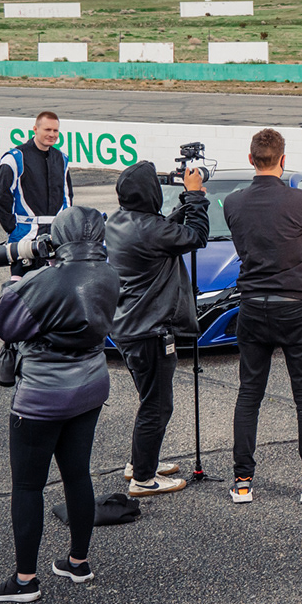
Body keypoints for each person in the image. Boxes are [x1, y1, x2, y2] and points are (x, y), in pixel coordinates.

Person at [0, 206, 120, 603]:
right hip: (91, 386)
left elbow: (6, 325)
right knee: (77, 475)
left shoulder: (45, 279)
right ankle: (78, 562)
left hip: (43, 396)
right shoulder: (109, 274)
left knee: (28, 485)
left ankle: (25, 581)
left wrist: (16, 277)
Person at [222, 127, 302, 506]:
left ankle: (242, 481)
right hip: (294, 305)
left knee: (249, 394)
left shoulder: (233, 203)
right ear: (283, 161)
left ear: (251, 159)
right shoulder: (299, 199)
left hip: (252, 305)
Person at [104, 159, 211, 497]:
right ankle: (143, 478)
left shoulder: (119, 221)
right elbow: (197, 236)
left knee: (149, 400)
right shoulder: (150, 230)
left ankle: (140, 463)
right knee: (158, 405)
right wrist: (195, 197)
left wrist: (184, 204)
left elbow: (162, 228)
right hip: (150, 331)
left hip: (129, 327)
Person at [0, 111, 72, 277]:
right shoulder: (15, 158)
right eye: (47, 129)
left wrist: (65, 228)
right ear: (35, 129)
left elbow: (67, 197)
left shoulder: (62, 159)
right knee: (23, 287)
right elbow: (2, 195)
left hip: (55, 237)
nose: (52, 134)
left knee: (54, 287)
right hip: (25, 237)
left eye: (55, 130)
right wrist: (13, 229)